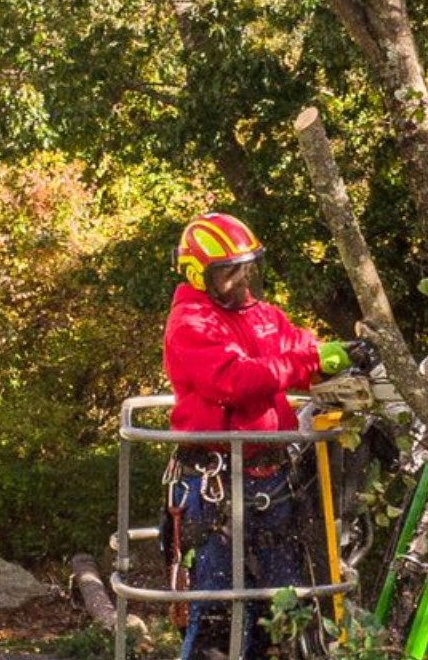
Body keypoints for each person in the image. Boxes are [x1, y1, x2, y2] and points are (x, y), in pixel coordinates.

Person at [161, 212, 352, 659]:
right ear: (199, 275)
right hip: (217, 489)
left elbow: (296, 347)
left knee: (281, 612)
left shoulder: (259, 315)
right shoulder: (191, 324)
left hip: (272, 484)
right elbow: (235, 379)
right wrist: (307, 364)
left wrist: (335, 357)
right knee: (219, 618)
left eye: (247, 267)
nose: (242, 278)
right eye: (229, 271)